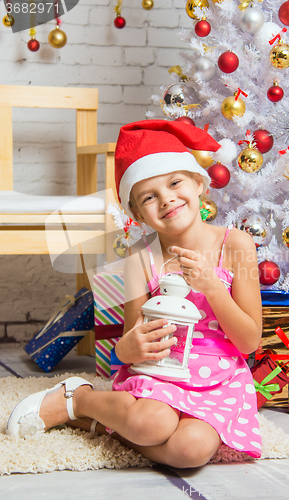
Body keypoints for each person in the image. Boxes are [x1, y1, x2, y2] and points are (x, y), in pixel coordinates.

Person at [7, 120, 262, 469]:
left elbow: (249, 342)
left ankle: (92, 421)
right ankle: (80, 398)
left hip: (219, 380)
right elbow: (128, 342)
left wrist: (213, 288)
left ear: (198, 183)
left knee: (190, 451)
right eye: (149, 197)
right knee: (152, 424)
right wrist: (128, 348)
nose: (167, 199)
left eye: (175, 183)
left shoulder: (235, 245)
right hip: (159, 373)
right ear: (138, 214)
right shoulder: (141, 259)